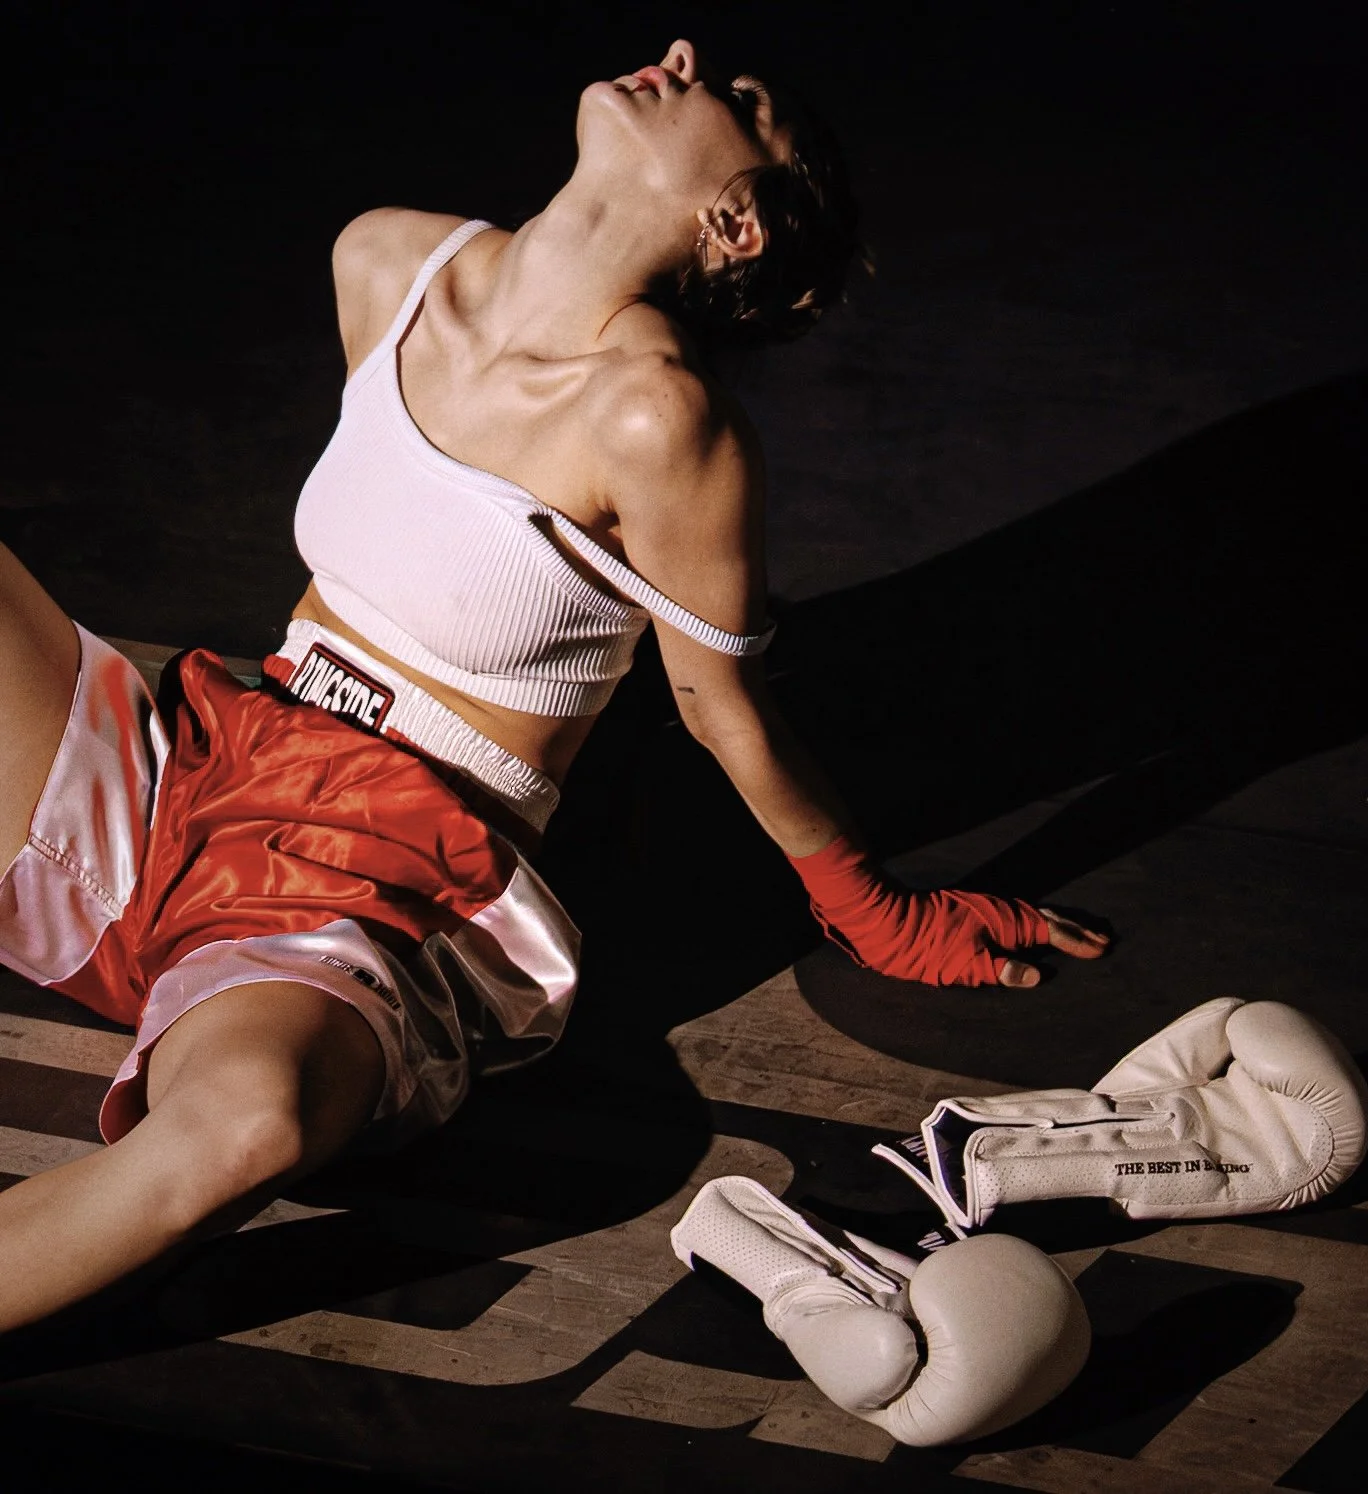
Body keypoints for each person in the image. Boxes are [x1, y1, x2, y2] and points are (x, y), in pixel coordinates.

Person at [0, 39, 1107, 1334]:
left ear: (734, 220)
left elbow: (718, 707)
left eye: (743, 101)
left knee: (245, 1128)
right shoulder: (390, 261)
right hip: (193, 768)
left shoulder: (659, 418)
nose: (690, 54)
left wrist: (870, 906)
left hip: (372, 882)